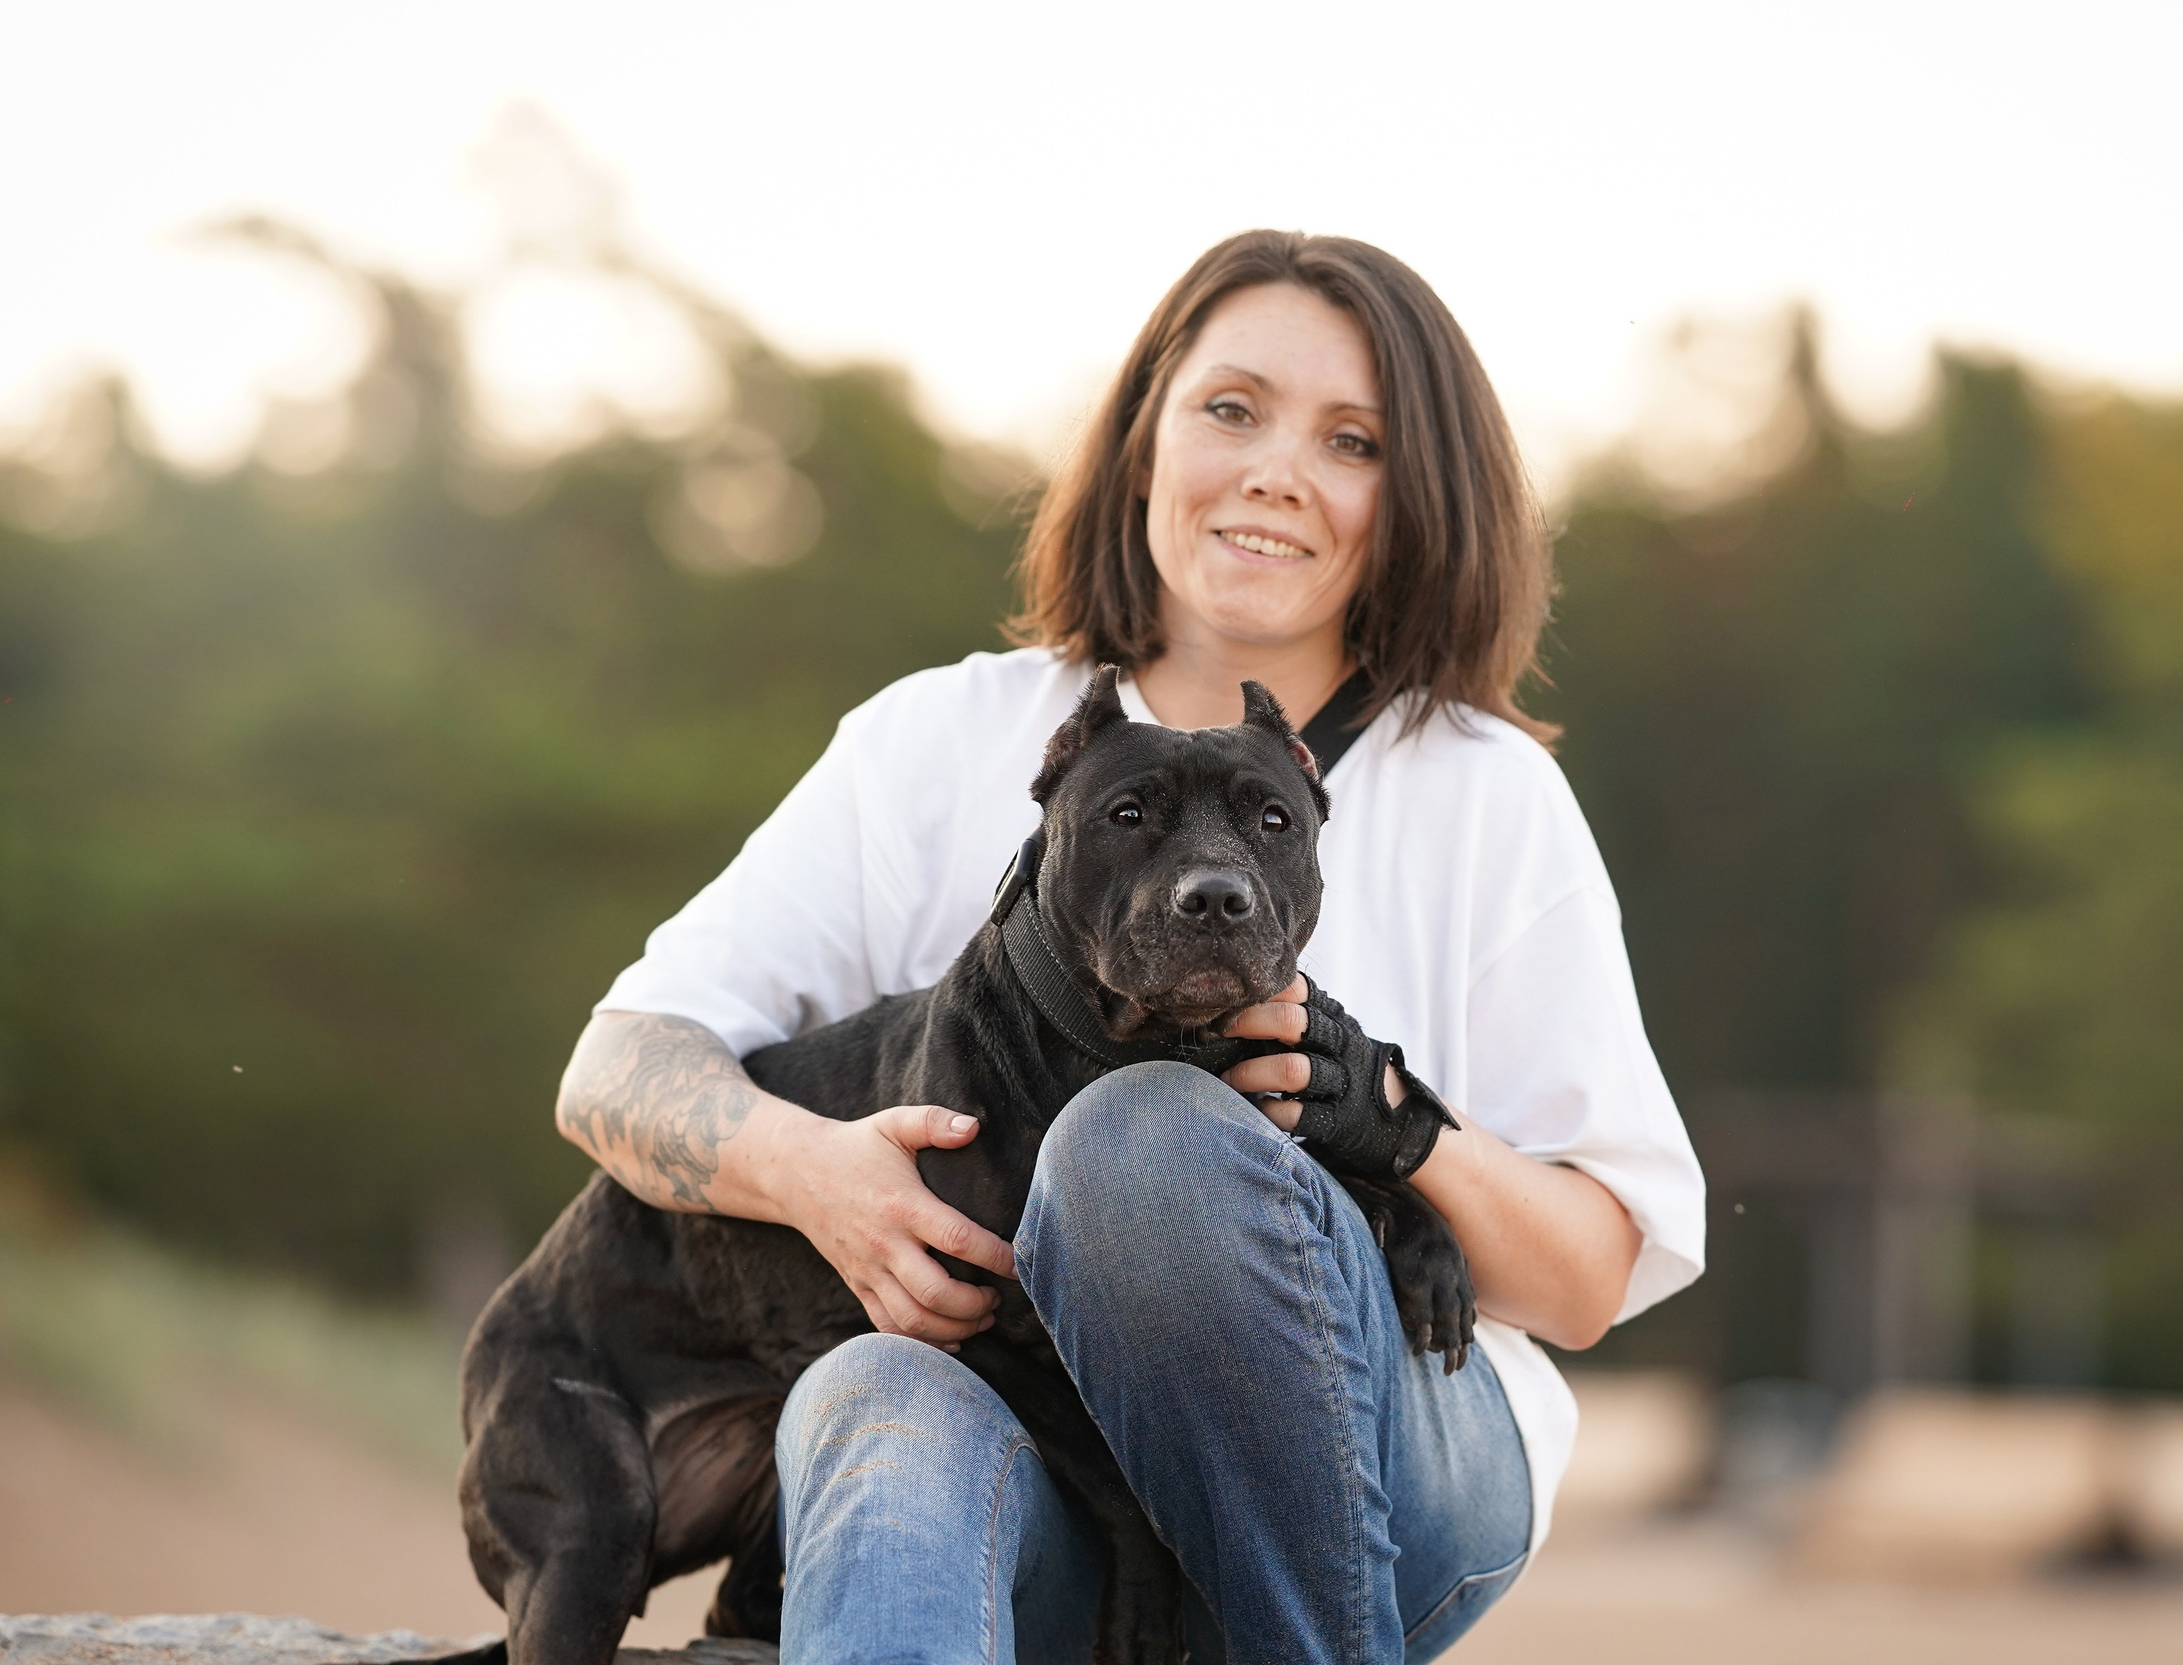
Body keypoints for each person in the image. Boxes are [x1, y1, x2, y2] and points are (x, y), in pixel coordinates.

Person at [557, 231, 1706, 1665]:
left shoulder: (1485, 793)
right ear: (1145, 435)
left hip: (1393, 1470)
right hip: (1038, 1490)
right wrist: (820, 1177)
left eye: (1350, 439)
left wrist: (1397, 1124)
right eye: (1234, 408)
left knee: (1142, 1140)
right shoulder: (937, 738)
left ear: (1409, 499)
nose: (1278, 467)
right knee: (872, 1395)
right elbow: (615, 1066)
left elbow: (1594, 1277)